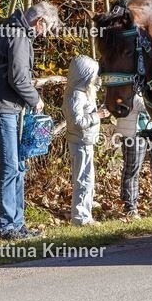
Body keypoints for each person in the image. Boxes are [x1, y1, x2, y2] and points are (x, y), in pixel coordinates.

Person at [0, 1, 60, 239]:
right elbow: (19, 79)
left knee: (17, 166)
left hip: (3, 107)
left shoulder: (7, 30)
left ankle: (16, 224)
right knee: (10, 167)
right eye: (47, 29)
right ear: (39, 21)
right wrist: (36, 100)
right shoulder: (19, 36)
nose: (44, 35)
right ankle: (5, 227)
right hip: (2, 109)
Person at [116, 92, 152, 218]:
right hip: (134, 132)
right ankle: (130, 208)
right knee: (132, 170)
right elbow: (141, 103)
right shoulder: (129, 83)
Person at [64, 55, 102, 226]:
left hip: (86, 141)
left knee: (88, 179)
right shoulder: (75, 95)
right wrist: (97, 116)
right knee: (83, 180)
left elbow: (97, 85)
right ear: (85, 75)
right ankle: (80, 217)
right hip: (80, 142)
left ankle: (86, 214)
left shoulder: (84, 91)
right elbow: (77, 122)